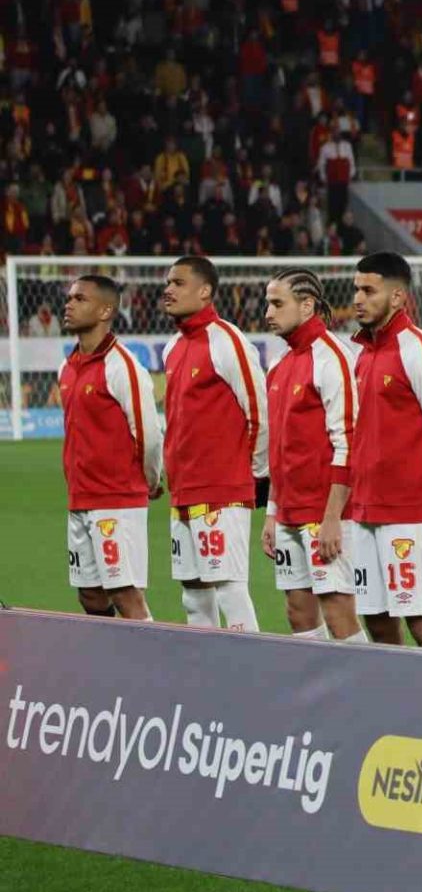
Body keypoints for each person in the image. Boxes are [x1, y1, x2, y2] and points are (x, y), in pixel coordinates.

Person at [349, 251, 422, 649]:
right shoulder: (363, 354)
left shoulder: (419, 350)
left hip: (411, 509)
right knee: (376, 619)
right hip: (365, 507)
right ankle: (393, 689)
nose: (358, 299)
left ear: (397, 297)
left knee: (421, 620)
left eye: (369, 291)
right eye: (356, 289)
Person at [161, 256, 269, 631]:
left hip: (223, 488)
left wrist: (255, 473)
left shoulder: (227, 341)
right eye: (168, 282)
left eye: (178, 283)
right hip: (183, 490)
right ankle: (204, 666)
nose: (168, 289)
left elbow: (259, 412)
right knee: (193, 594)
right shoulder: (173, 347)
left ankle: (250, 666)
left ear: (205, 291)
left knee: (229, 590)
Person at [260, 268, 366, 644]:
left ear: (306, 306)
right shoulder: (279, 365)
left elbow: (348, 442)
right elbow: (280, 450)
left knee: (338, 611)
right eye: (268, 304)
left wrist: (333, 518)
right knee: (298, 611)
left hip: (325, 512)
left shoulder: (332, 357)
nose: (268, 313)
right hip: (289, 511)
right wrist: (272, 512)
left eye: (277, 304)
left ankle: (367, 681)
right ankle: (318, 682)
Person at [59, 275, 162, 620]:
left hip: (117, 499)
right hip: (80, 498)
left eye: (80, 299)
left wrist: (151, 479)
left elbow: (148, 433)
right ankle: (106, 655)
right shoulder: (67, 367)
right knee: (90, 594)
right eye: (69, 298)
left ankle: (150, 656)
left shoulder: (122, 366)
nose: (69, 304)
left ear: (105, 311)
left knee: (125, 594)